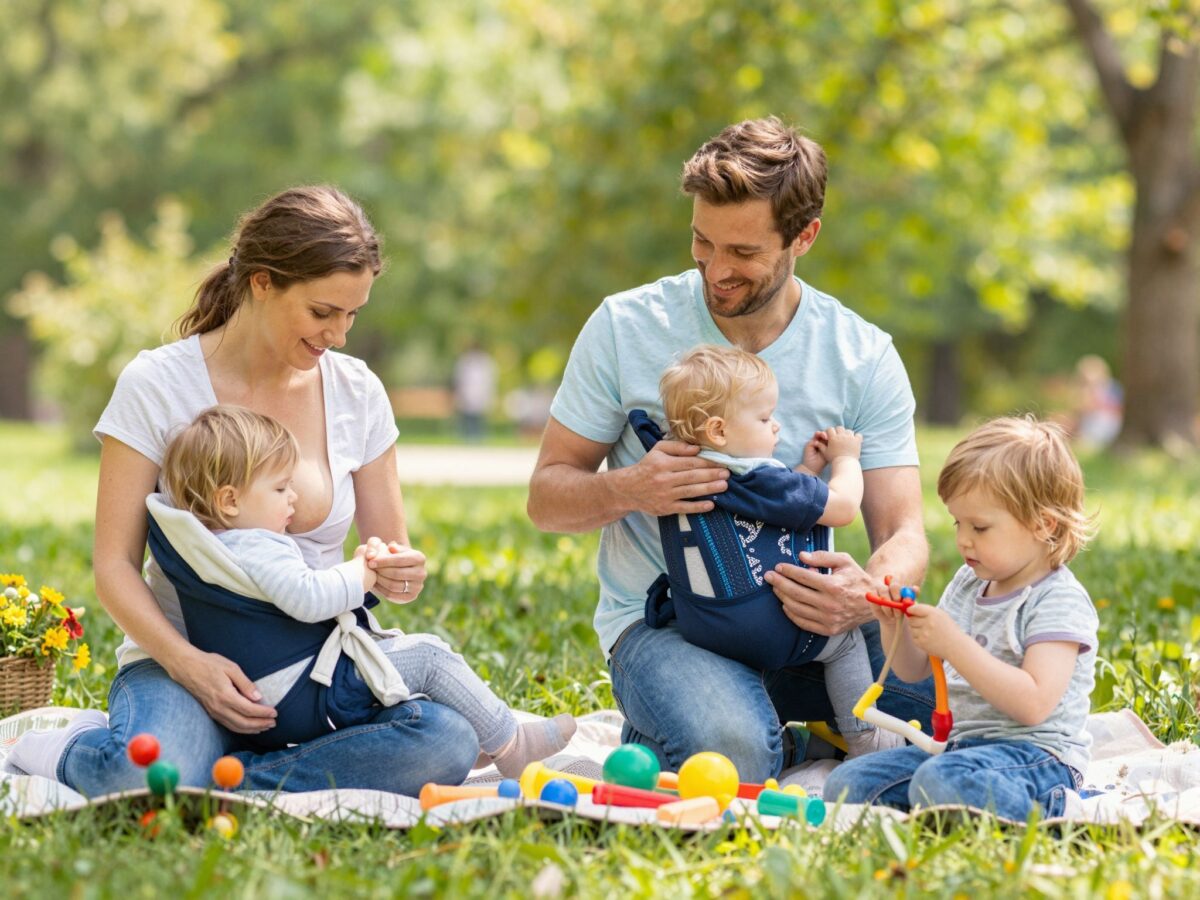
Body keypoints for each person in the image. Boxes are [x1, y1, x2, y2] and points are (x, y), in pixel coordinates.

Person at [8, 186, 480, 795]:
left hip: (317, 676)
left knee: (446, 740)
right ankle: (66, 746)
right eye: (321, 312)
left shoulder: (357, 393)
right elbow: (113, 567)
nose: (338, 334)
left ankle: (228, 779)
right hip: (183, 669)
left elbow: (391, 557)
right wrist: (190, 666)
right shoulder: (158, 384)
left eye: (352, 314)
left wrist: (400, 572)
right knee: (138, 772)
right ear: (262, 282)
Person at [527, 117, 933, 782]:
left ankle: (721, 723)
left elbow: (905, 533)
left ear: (805, 237)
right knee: (735, 754)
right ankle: (764, 735)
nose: (717, 270)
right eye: (701, 242)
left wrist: (866, 593)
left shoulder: (862, 356)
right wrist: (628, 487)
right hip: (671, 627)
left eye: (743, 252)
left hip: (817, 623)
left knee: (935, 715)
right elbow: (546, 497)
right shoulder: (625, 327)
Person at [140, 404, 575, 775]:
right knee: (430, 658)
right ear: (229, 501)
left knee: (431, 704)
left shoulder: (217, 546)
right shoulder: (256, 545)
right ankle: (512, 745)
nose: (293, 498)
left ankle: (484, 735)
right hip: (303, 686)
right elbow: (308, 599)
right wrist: (361, 571)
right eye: (279, 488)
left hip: (283, 685)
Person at [823, 417, 1098, 820]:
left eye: (980, 527)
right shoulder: (970, 582)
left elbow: (1034, 704)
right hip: (961, 751)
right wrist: (893, 625)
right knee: (847, 785)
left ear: (1043, 524)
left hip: (1039, 758)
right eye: (958, 523)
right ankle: (959, 809)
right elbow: (914, 669)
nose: (963, 539)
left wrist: (954, 642)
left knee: (940, 782)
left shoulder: (1056, 599)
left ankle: (1058, 812)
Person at [634, 345, 902, 757]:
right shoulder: (760, 481)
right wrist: (845, 460)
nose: (776, 427)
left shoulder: (681, 470)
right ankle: (864, 737)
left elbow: (762, 516)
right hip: (770, 628)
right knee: (843, 643)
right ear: (720, 431)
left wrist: (806, 474)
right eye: (764, 418)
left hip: (703, 622)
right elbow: (843, 507)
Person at [453, 341, 497, 442]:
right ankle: (468, 437)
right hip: (468, 392)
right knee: (468, 417)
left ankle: (478, 437)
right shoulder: (465, 361)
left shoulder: (486, 362)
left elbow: (490, 379)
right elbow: (459, 378)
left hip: (480, 392)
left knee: (479, 417)